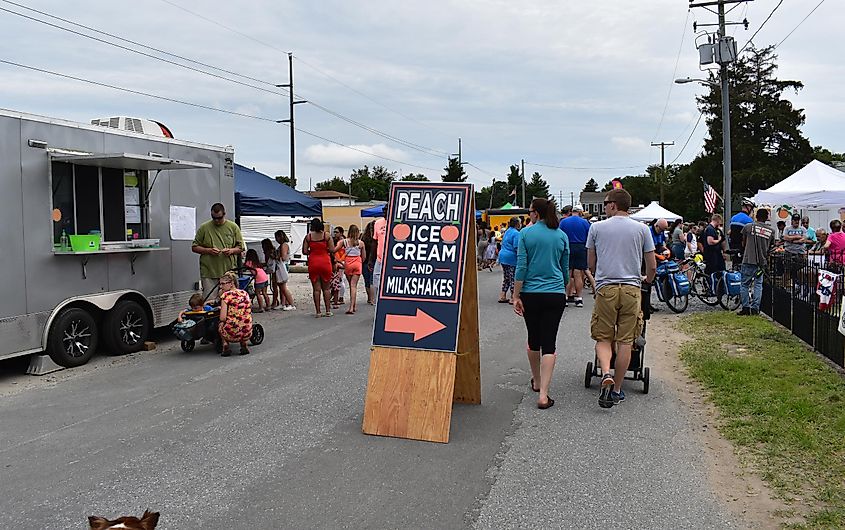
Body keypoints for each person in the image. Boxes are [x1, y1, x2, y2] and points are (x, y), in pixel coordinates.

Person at [587, 188, 656, 409]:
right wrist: (647, 278)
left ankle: (605, 372)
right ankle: (617, 389)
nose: (605, 206)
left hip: (606, 287)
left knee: (603, 337)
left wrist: (598, 276)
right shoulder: (642, 229)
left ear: (614, 205)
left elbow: (591, 262)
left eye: (606, 203)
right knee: (626, 340)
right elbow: (651, 263)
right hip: (631, 289)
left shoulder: (596, 228)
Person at [513, 198, 569, 410]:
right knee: (550, 342)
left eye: (530, 211)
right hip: (555, 293)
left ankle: (536, 380)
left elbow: (521, 267)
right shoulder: (561, 236)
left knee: (533, 338)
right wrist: (561, 288)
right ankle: (544, 394)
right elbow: (565, 271)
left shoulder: (525, 234)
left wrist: (516, 296)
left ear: (536, 213)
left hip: (531, 293)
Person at [191, 203, 244, 299]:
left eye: (219, 218)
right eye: (213, 217)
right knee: (209, 300)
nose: (216, 220)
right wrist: (208, 250)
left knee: (229, 299)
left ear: (224, 214)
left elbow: (241, 247)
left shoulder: (233, 227)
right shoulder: (204, 227)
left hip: (228, 272)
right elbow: (194, 247)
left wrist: (231, 251)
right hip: (209, 272)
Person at [738, 209, 776, 316]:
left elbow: (743, 243)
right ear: (766, 217)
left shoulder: (748, 227)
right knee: (758, 285)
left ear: (756, 216)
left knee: (745, 284)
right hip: (761, 262)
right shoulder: (771, 231)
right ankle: (755, 308)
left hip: (748, 259)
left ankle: (745, 307)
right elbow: (770, 247)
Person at [559, 204, 591, 307]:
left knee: (568, 272)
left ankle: (566, 297)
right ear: (581, 212)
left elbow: (560, 235)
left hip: (568, 246)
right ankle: (579, 298)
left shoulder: (563, 222)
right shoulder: (585, 222)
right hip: (581, 247)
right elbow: (589, 237)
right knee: (578, 273)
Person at [303, 218, 335, 317]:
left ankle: (318, 312)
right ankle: (328, 310)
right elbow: (332, 249)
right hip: (325, 262)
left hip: (313, 262)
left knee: (316, 289)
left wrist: (312, 252)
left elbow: (304, 251)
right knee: (326, 288)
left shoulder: (308, 237)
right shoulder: (327, 236)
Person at [217, 271, 253, 356]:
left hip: (231, 333)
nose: (221, 286)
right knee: (242, 320)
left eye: (223, 284)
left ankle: (225, 344)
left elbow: (222, 318)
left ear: (231, 283)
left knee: (220, 324)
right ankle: (244, 343)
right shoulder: (245, 293)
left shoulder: (226, 296)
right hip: (247, 331)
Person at [335, 224, 366, 314]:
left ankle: (352, 307)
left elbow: (334, 250)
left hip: (348, 263)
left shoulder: (344, 242)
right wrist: (360, 262)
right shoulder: (361, 243)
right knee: (354, 286)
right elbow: (364, 257)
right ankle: (353, 306)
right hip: (357, 263)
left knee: (350, 284)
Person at [497, 217, 520, 303]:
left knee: (506, 277)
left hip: (503, 256)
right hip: (511, 258)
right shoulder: (516, 233)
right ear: (517, 224)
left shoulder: (507, 231)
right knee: (513, 277)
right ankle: (512, 297)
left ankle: (503, 295)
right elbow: (516, 247)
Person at [274, 230, 296, 310]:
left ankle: (291, 304)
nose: (276, 239)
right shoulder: (283, 245)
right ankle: (283, 303)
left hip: (282, 267)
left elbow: (283, 257)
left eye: (276, 237)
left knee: (283, 287)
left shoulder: (284, 245)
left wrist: (275, 257)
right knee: (281, 286)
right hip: (282, 266)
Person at [244, 248, 270, 312]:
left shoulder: (248, 263)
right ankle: (268, 306)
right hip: (264, 277)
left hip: (259, 278)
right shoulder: (257, 262)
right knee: (264, 293)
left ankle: (261, 308)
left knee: (258, 293)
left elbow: (245, 268)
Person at [372, 206, 388, 302]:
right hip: (379, 258)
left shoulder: (397, 222)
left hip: (391, 259)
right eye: (384, 211)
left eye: (387, 211)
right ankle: (378, 301)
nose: (384, 213)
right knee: (376, 281)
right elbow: (375, 241)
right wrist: (371, 259)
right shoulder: (378, 223)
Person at [262, 238, 282, 309]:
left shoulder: (268, 253)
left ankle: (274, 302)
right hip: (277, 270)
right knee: (277, 287)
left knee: (274, 287)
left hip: (274, 271)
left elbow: (268, 263)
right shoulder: (274, 250)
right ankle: (278, 301)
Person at [362, 221, 378, 305]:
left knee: (367, 280)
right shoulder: (376, 239)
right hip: (374, 260)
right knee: (373, 280)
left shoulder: (363, 238)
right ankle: (373, 299)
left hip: (364, 261)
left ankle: (369, 298)